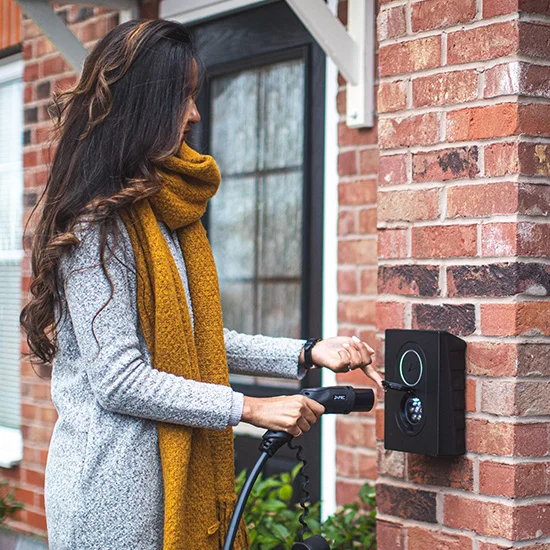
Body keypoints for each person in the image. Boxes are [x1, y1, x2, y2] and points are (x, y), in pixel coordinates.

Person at [19, 19, 383, 550]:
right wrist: (249, 409)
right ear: (145, 103)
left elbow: (197, 338)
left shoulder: (165, 217)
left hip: (172, 480)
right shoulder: (100, 223)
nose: (195, 114)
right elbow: (120, 379)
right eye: (183, 97)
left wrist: (307, 353)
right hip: (112, 499)